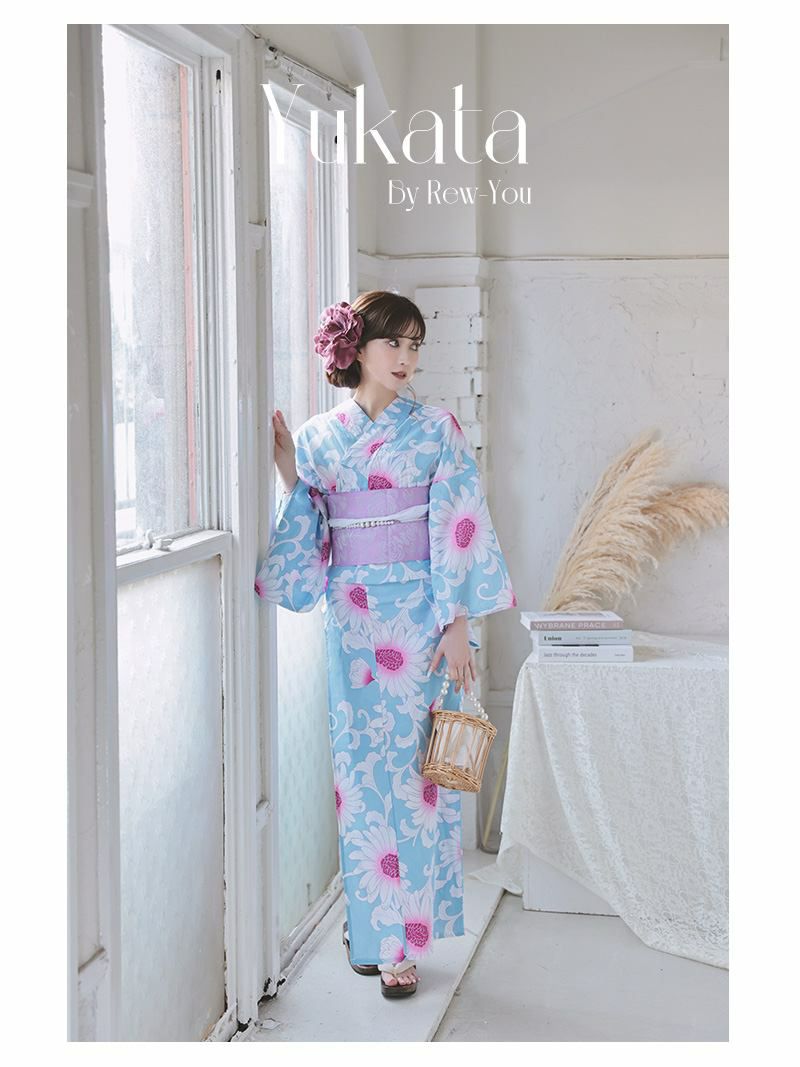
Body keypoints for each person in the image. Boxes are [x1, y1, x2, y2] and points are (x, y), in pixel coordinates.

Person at [255, 290, 516, 999]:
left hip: (422, 623)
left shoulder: (436, 429)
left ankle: (407, 938)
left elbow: (459, 522)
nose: (406, 358)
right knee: (361, 777)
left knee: (418, 781)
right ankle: (373, 935)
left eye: (414, 345)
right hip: (353, 621)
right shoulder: (319, 438)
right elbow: (313, 521)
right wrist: (290, 471)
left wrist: (458, 623)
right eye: (393, 343)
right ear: (357, 349)